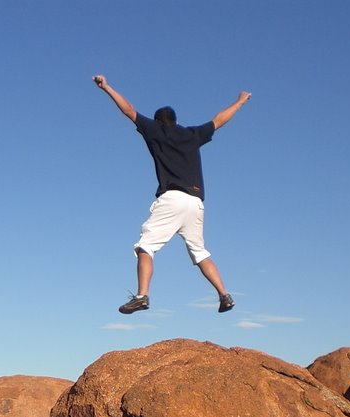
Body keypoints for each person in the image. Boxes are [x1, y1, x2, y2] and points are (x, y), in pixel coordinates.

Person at [92, 75, 251, 314]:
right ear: (176, 121)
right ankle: (225, 295)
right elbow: (219, 120)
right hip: (196, 203)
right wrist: (240, 102)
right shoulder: (191, 134)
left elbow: (129, 110)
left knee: (145, 246)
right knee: (199, 252)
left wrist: (106, 88)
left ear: (158, 121)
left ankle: (142, 296)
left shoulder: (155, 131)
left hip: (172, 199)